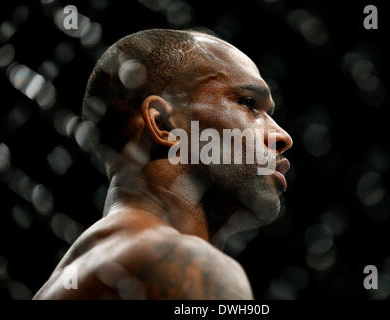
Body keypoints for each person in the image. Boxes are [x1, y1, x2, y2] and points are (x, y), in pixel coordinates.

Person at [33, 29, 292, 299]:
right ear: (164, 124)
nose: (283, 137)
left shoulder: (79, 272)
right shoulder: (187, 263)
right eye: (248, 103)